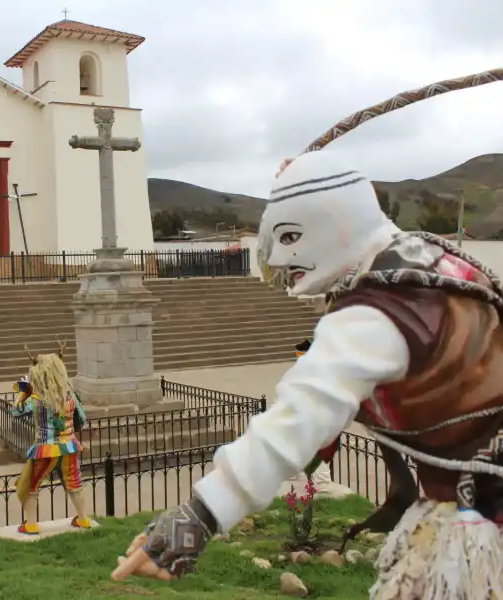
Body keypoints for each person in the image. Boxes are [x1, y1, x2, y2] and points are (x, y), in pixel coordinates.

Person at [112, 150, 503, 599]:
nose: (278, 258)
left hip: (478, 526)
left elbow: (297, 419)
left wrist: (198, 517)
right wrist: (313, 178)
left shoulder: (376, 314)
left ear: (337, 221)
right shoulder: (425, 260)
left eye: (292, 235)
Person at [10, 338, 92, 535]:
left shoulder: (37, 400)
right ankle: (83, 519)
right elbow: (82, 417)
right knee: (74, 482)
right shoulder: (70, 396)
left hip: (45, 448)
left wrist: (23, 392)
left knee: (31, 484)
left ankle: (30, 524)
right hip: (69, 446)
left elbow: (16, 412)